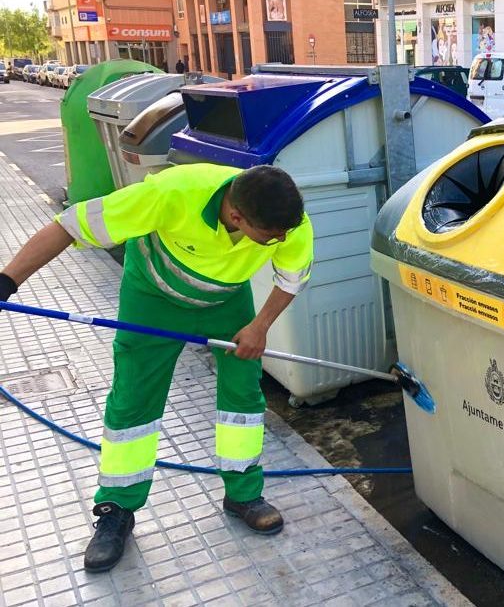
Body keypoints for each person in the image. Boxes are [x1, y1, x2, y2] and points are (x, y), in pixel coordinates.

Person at [0, 164, 314, 573]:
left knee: (243, 397)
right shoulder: (170, 193)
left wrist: (260, 326)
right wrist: (7, 281)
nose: (282, 240)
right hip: (153, 301)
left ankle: (243, 493)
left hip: (225, 305)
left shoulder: (287, 219)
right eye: (272, 235)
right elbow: (69, 227)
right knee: (134, 403)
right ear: (237, 216)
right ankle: (117, 509)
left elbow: (292, 275)